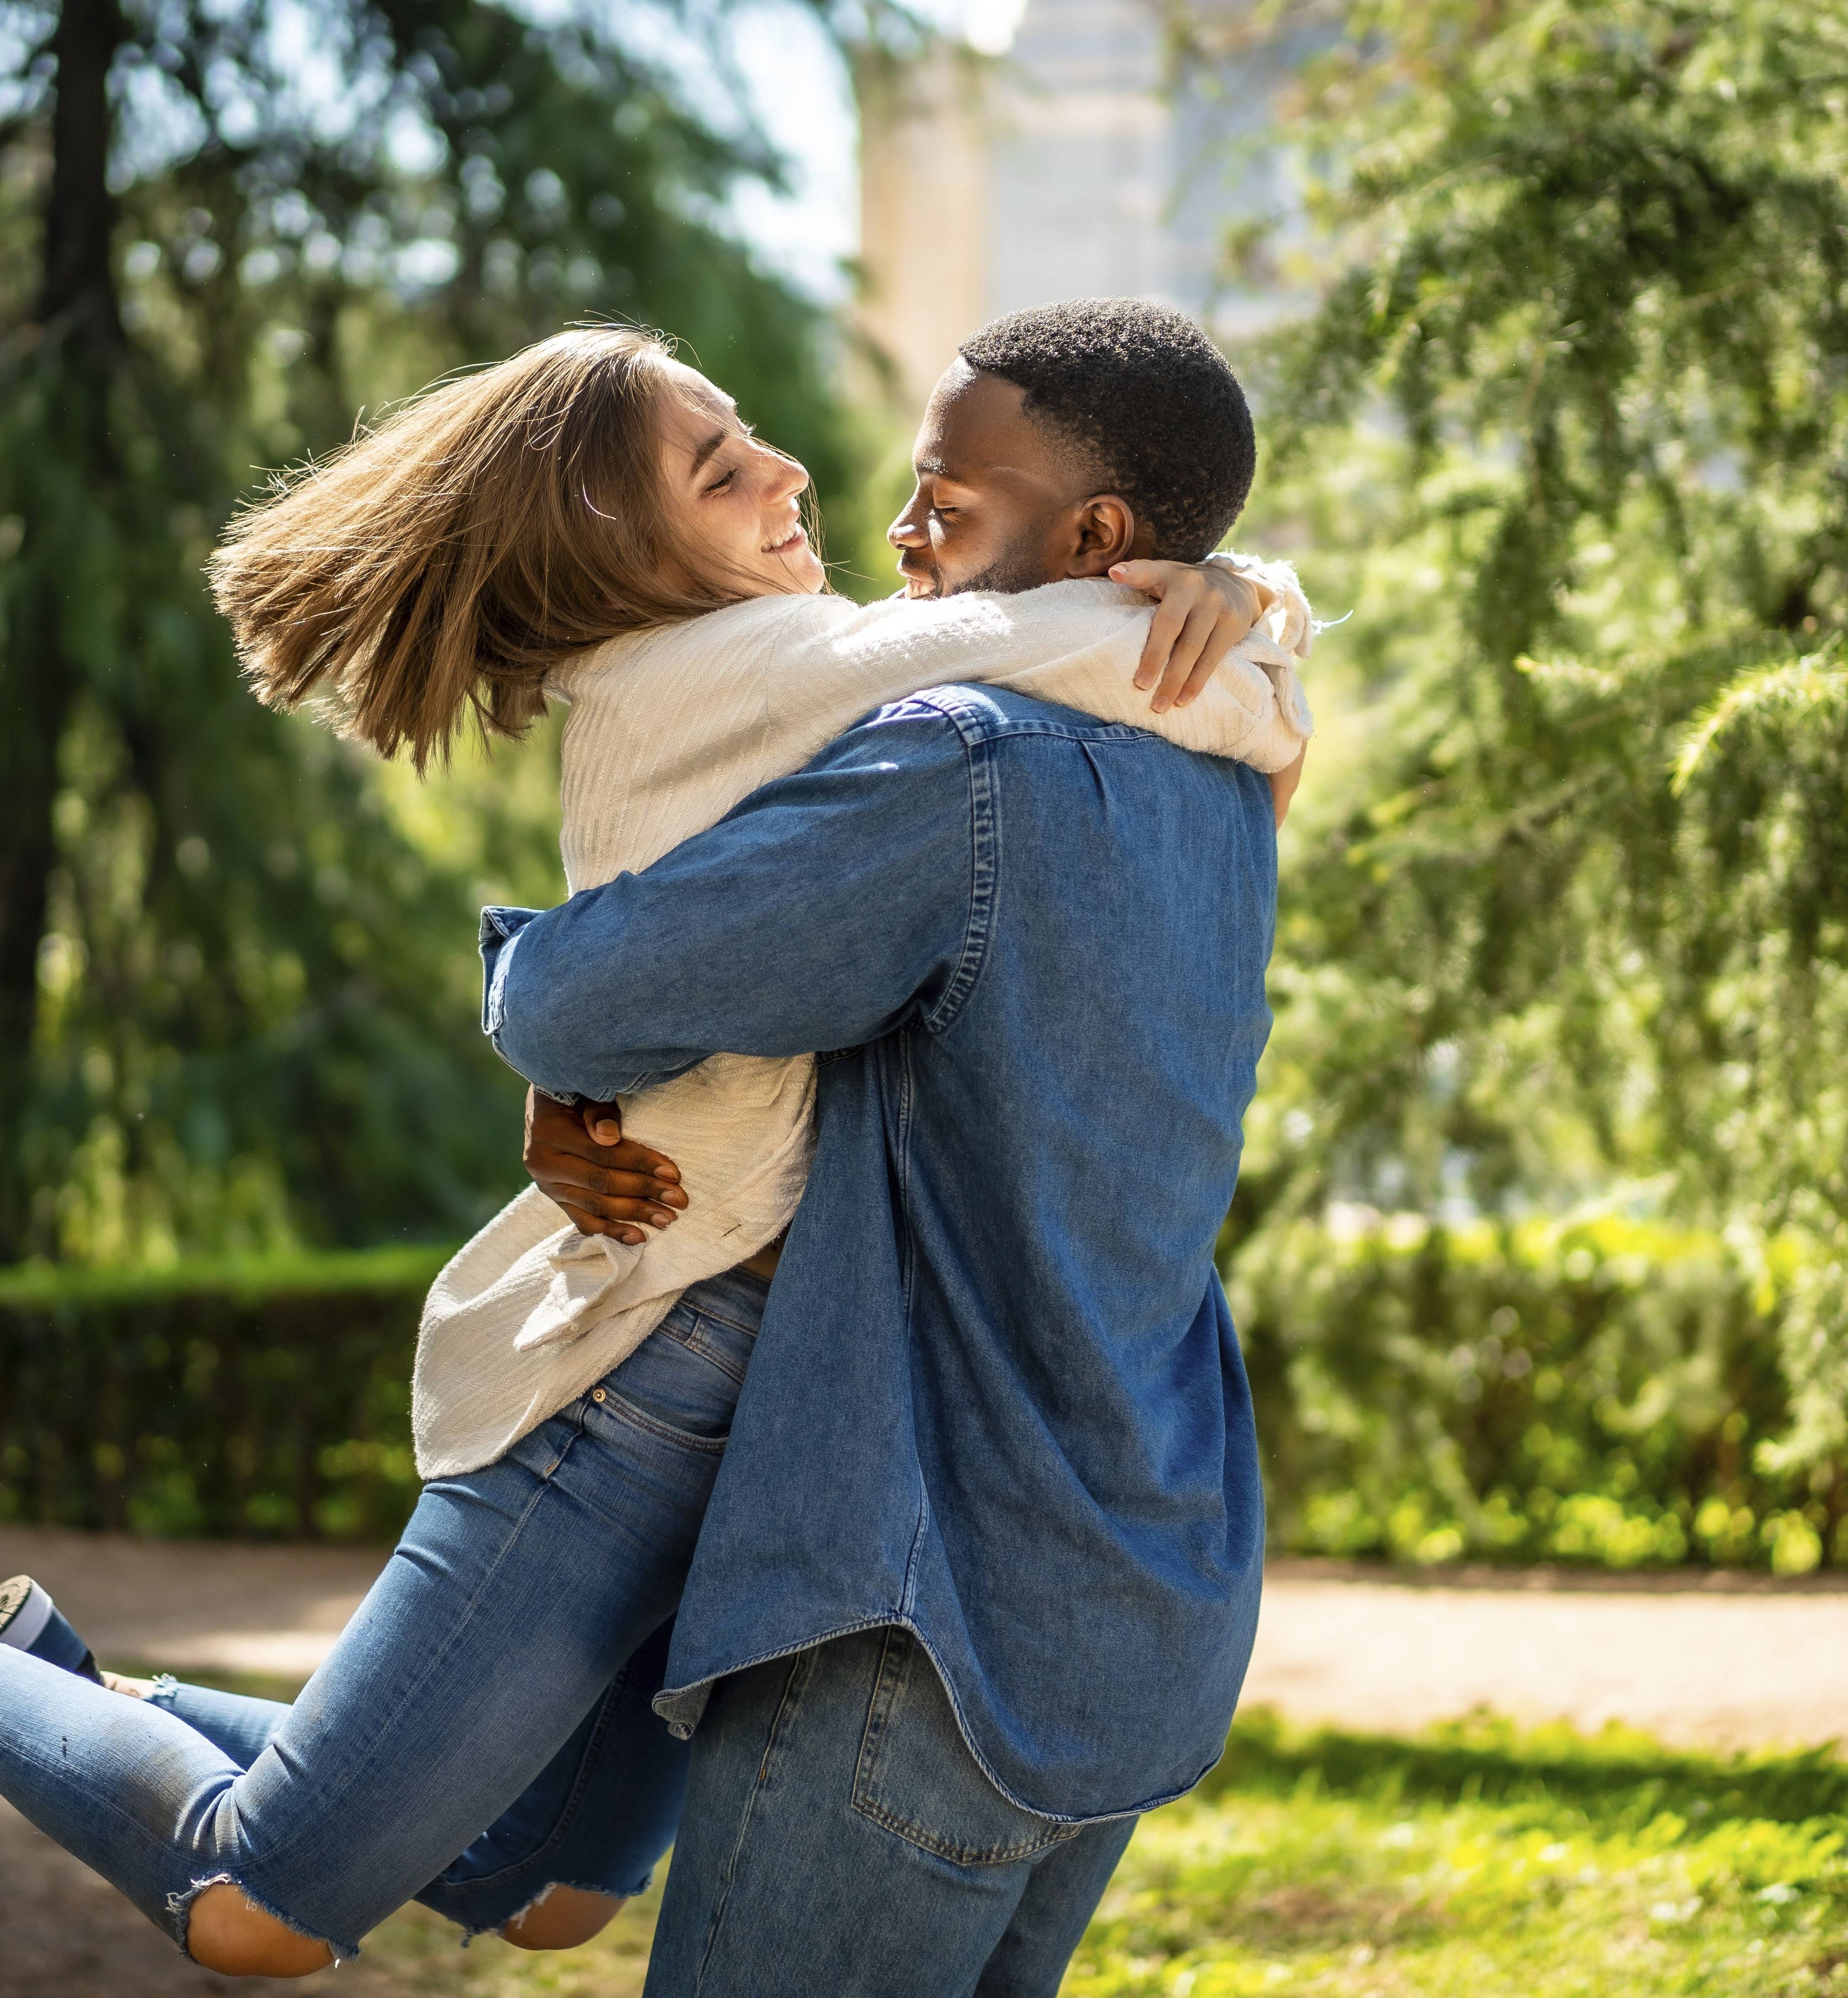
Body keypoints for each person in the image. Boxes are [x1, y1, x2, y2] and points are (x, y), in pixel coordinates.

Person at [0, 306, 1309, 1979]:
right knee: (257, 1907)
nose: (849, 499)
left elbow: (755, 916)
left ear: (1093, 532)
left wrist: (1239, 597)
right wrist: (1240, 614)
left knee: (551, 1888)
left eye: (945, 504)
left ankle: (56, 1685)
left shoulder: (965, 718)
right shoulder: (922, 720)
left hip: (809, 1404)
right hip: (690, 1366)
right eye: (724, 468)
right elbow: (619, 983)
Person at [480, 297, 1288, 1996]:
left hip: (926, 1608)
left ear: (1095, 539)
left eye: (954, 498)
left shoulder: (954, 765)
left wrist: (549, 1029)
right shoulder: (1229, 768)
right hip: (1149, 1587)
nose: (901, 529)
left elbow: (578, 1002)